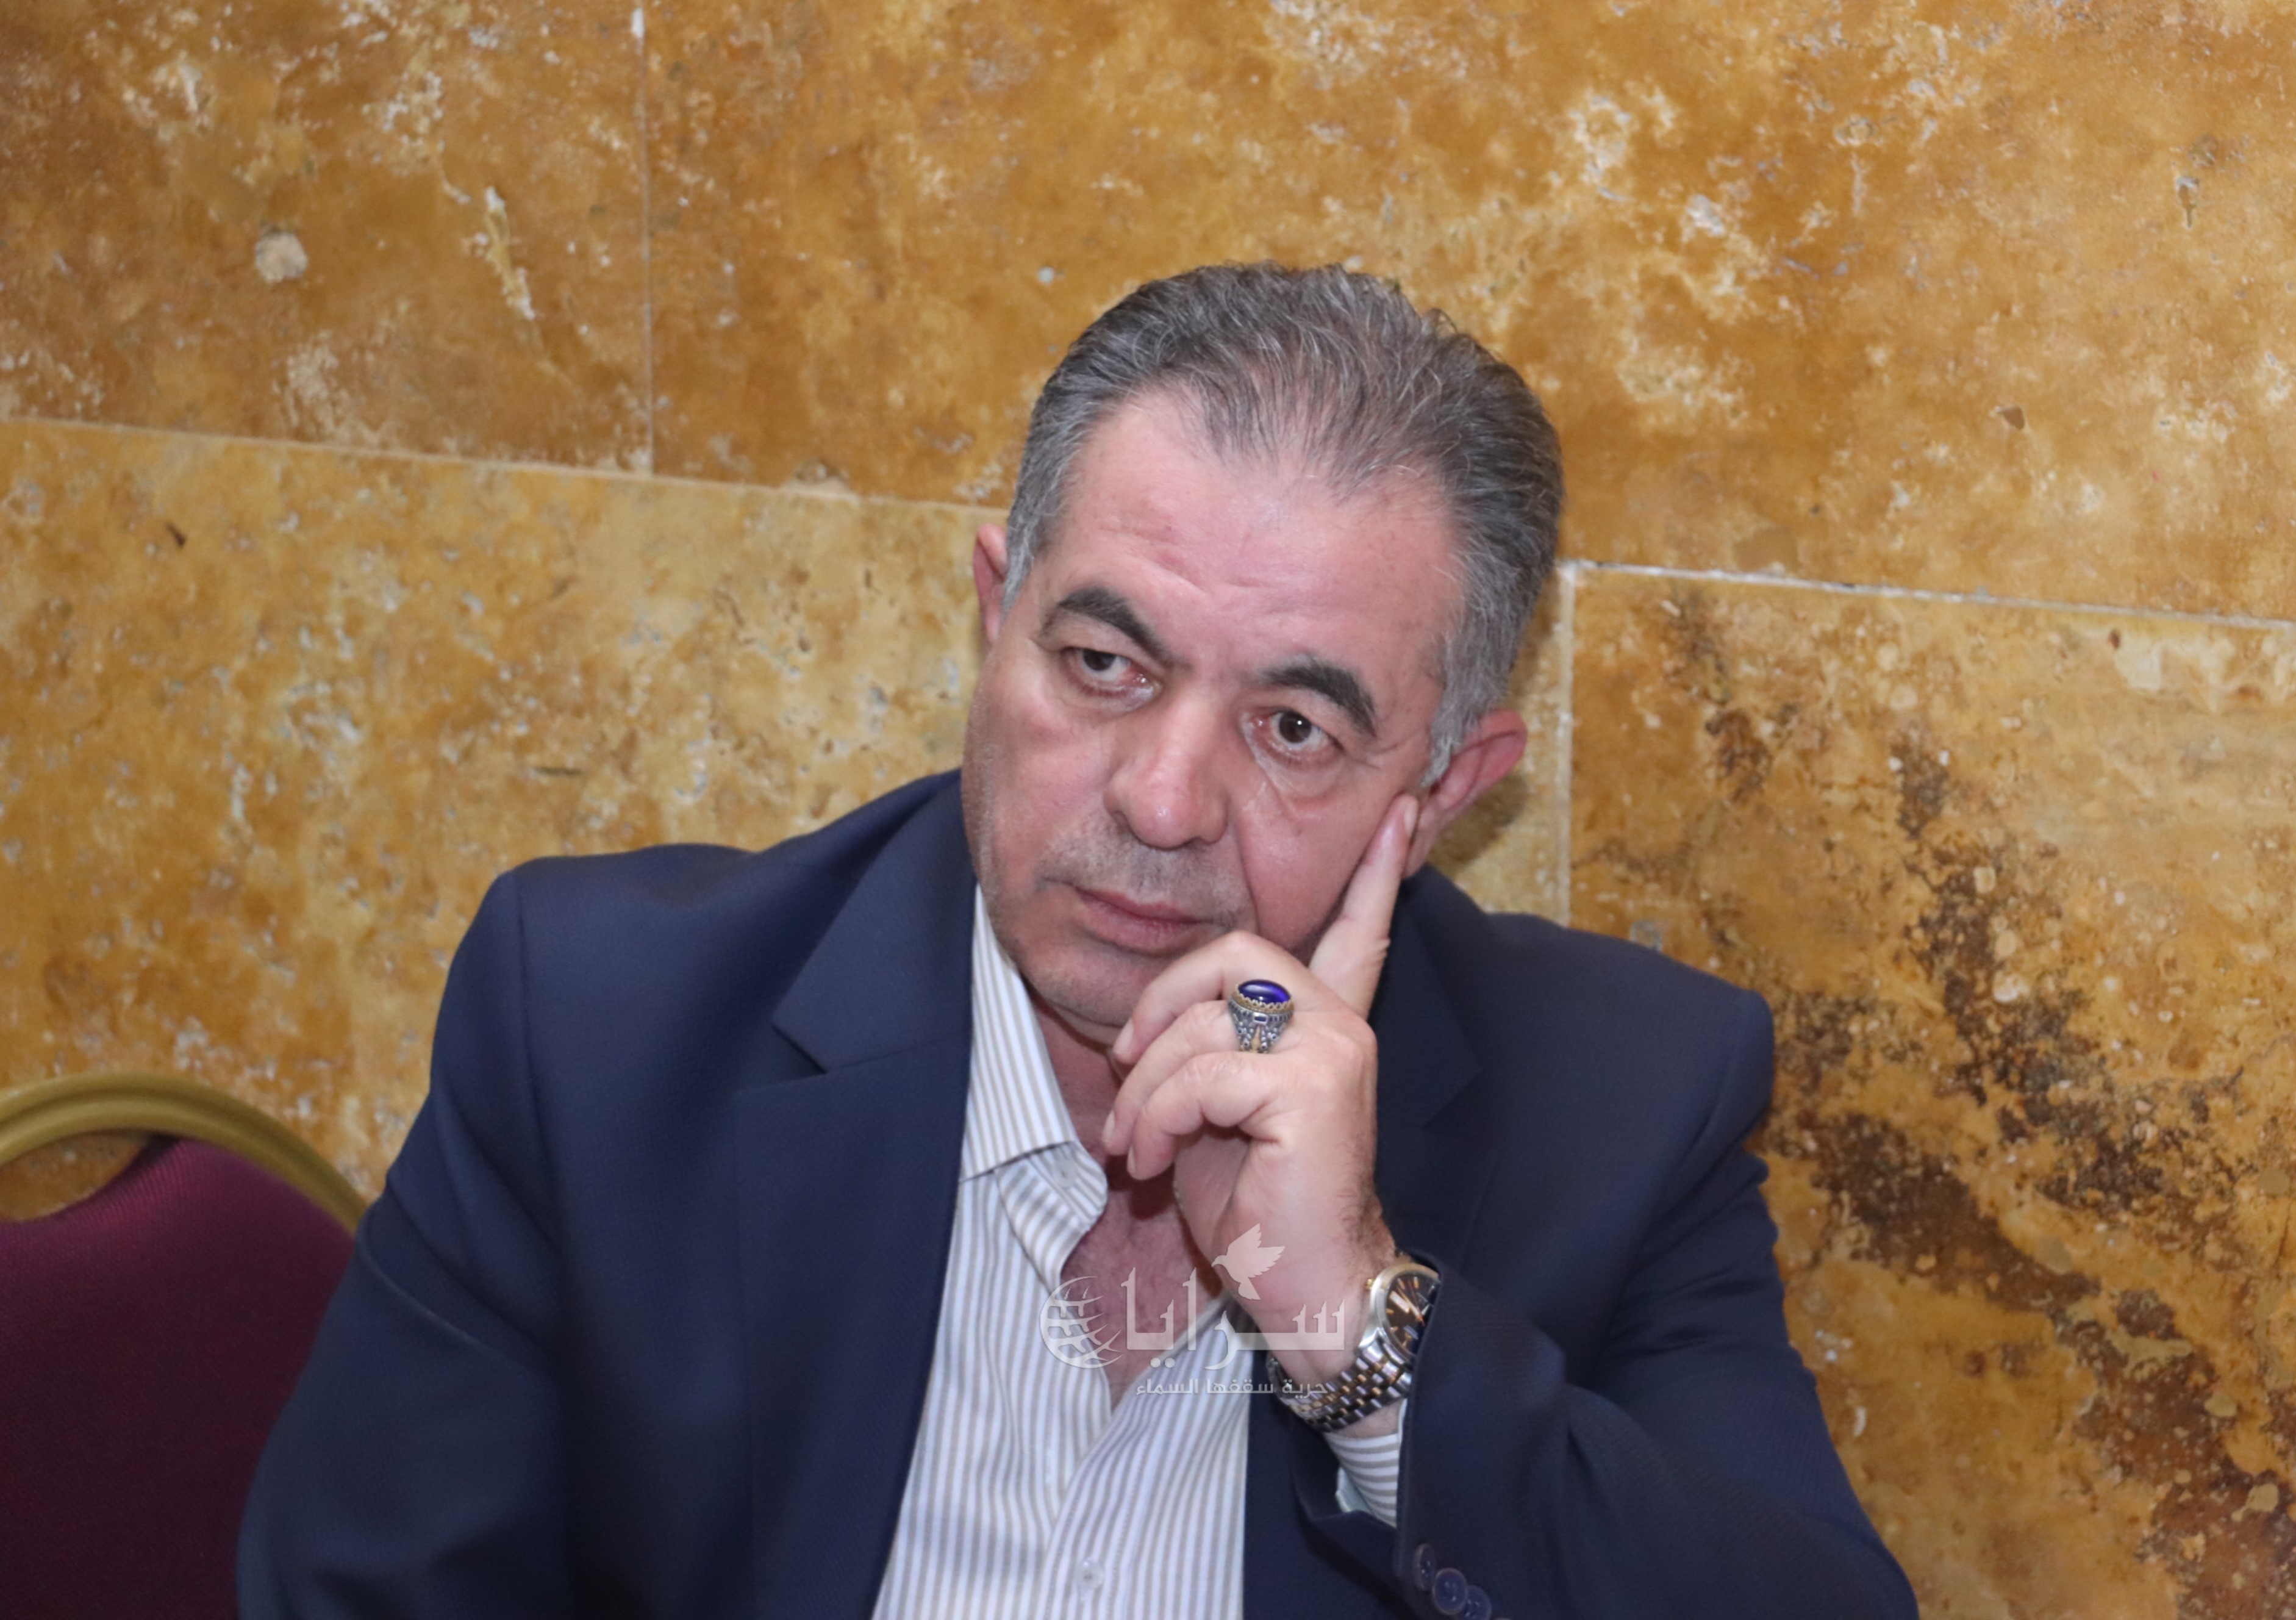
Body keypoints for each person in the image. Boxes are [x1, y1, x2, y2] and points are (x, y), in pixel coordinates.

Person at [240, 263, 1916, 1619]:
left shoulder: (1622, 1104)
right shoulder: (604, 1029)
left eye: (1294, 730)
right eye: (1104, 665)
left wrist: (1359, 1332)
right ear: (997, 616)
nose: (1162, 801)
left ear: (1445, 789)